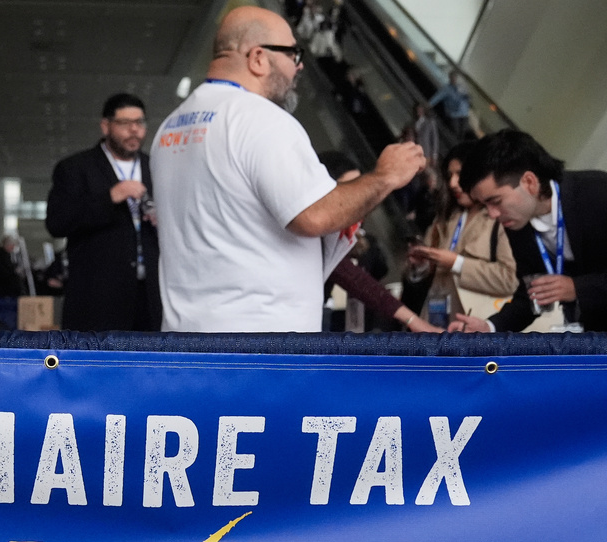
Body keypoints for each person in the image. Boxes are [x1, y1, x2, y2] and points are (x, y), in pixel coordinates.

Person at [150, 6, 425, 332]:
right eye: (293, 53)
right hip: (260, 341)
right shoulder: (260, 118)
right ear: (258, 58)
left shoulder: (171, 127)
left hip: (185, 337)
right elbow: (314, 215)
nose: (300, 65)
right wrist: (385, 176)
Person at [450, 129, 607, 332]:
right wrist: (490, 327)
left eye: (496, 201)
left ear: (529, 182)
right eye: (484, 205)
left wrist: (578, 288)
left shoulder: (597, 193)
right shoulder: (517, 221)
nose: (493, 214)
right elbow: (532, 292)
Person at [45, 93, 161, 331]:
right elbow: (57, 223)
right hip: (98, 300)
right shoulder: (75, 168)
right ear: (105, 126)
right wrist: (111, 197)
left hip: (151, 297)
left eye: (139, 122)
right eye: (125, 123)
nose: (134, 130)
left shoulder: (156, 167)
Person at [318, 151, 440, 333]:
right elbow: (352, 277)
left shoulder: (350, 234)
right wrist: (414, 321)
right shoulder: (313, 234)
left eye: (359, 187)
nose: (358, 198)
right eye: (348, 189)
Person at [402, 141, 516, 324]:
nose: (453, 183)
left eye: (460, 174)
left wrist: (457, 264)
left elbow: (510, 279)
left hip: (473, 326)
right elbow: (424, 279)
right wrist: (421, 266)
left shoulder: (500, 220)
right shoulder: (444, 218)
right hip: (432, 321)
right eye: (449, 176)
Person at [428, 71, 471, 141]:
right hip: (454, 115)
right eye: (452, 78)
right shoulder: (447, 89)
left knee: (463, 133)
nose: (454, 79)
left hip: (464, 113)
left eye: (455, 78)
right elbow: (438, 97)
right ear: (450, 78)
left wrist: (467, 97)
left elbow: (467, 98)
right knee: (455, 133)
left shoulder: (461, 88)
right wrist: (430, 104)